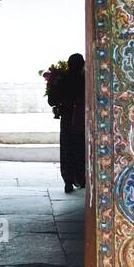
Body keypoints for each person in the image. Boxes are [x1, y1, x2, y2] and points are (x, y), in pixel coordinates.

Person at [50, 52, 86, 193]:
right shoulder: (85, 80)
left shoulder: (62, 79)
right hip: (82, 120)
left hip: (67, 120)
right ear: (82, 64)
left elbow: (51, 100)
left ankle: (68, 181)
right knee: (80, 150)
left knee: (67, 150)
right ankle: (81, 179)